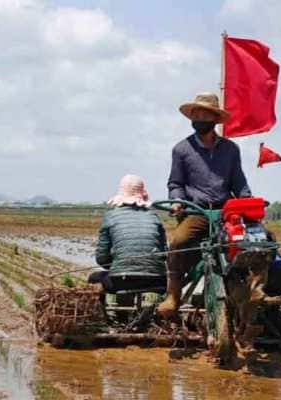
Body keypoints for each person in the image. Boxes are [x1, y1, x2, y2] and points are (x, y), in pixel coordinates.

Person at [157, 92, 252, 317]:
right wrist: (177, 202)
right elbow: (176, 183)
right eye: (195, 113)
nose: (198, 117)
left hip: (225, 211)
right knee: (179, 242)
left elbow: (239, 182)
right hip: (196, 211)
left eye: (203, 113)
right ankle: (173, 295)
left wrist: (248, 201)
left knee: (257, 240)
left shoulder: (231, 149)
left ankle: (251, 290)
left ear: (214, 118)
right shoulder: (181, 149)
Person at [90, 174, 167, 293]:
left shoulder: (111, 217)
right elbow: (164, 254)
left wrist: (120, 264)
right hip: (157, 280)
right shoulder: (154, 217)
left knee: (94, 278)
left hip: (121, 280)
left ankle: (107, 312)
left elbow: (101, 258)